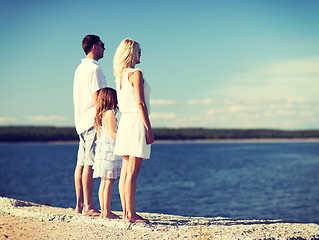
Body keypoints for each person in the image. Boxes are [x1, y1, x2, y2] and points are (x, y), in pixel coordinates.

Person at [113, 38, 154, 223]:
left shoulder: (119, 78)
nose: (140, 54)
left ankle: (126, 212)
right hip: (136, 122)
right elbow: (140, 102)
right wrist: (148, 128)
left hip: (125, 122)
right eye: (138, 51)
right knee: (132, 173)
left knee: (125, 172)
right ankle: (130, 214)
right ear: (131, 53)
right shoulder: (136, 74)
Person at [73, 34, 106, 216]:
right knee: (90, 164)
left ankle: (79, 206)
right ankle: (88, 206)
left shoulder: (79, 68)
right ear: (94, 47)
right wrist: (102, 120)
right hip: (92, 121)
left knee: (81, 164)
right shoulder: (94, 69)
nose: (104, 48)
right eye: (102, 45)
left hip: (81, 121)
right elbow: (97, 98)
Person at [93, 87, 122, 219]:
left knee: (104, 181)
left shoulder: (99, 115)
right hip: (110, 151)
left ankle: (103, 211)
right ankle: (107, 211)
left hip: (101, 152)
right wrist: (125, 138)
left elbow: (99, 136)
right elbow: (112, 133)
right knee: (109, 181)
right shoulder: (110, 113)